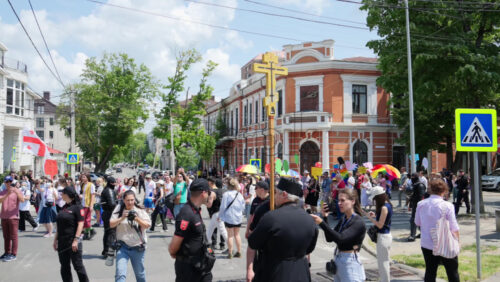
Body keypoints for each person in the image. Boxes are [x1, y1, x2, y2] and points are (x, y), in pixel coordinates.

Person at [248, 177, 318, 282]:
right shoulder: (310, 219)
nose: (274, 196)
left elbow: (253, 242)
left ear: (284, 194)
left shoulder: (271, 217)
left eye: (276, 193)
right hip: (301, 272)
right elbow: (309, 249)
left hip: (275, 272)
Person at [311, 188, 366, 282]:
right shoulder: (344, 218)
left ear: (352, 201)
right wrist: (325, 218)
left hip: (350, 262)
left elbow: (341, 239)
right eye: (339, 200)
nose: (339, 203)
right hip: (339, 258)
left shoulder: (358, 221)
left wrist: (321, 223)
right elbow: (329, 238)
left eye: (343, 200)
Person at [169, 178, 215, 282]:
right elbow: (173, 248)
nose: (209, 195)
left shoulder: (195, 209)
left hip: (200, 265)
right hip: (188, 269)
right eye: (208, 192)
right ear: (203, 193)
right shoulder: (186, 213)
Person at [415, 179, 460, 282]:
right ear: (444, 191)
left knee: (430, 271)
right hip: (446, 242)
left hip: (427, 243)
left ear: (430, 190)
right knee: (452, 271)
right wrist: (457, 241)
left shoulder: (421, 204)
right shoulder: (448, 206)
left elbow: (417, 222)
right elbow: (454, 227)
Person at [110, 190, 151, 282]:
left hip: (137, 247)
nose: (130, 202)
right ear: (124, 200)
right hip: (122, 247)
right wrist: (122, 218)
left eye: (132, 200)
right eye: (128, 200)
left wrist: (136, 218)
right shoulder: (119, 209)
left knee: (140, 275)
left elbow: (147, 225)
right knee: (120, 274)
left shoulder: (139, 210)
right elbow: (111, 224)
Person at [53, 186, 89, 282]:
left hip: (73, 242)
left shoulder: (77, 207)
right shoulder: (64, 207)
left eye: (63, 193)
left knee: (78, 266)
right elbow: (59, 225)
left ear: (68, 195)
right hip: (62, 242)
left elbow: (81, 224)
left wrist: (76, 240)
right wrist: (55, 240)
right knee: (64, 267)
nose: (61, 194)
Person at [363, 186, 393, 282]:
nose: (374, 201)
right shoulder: (388, 205)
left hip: (383, 237)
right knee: (384, 262)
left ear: (378, 197)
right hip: (386, 236)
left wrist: (369, 217)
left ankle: (385, 280)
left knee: (383, 263)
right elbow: (384, 220)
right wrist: (375, 216)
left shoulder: (384, 207)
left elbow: (380, 225)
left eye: (375, 198)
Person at [245, 181, 270, 282]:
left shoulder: (271, 200)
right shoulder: (255, 200)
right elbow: (251, 216)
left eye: (257, 188)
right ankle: (254, 273)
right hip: (255, 230)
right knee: (253, 255)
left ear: (263, 190)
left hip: (267, 233)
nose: (255, 190)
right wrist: (247, 230)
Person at [219, 178, 245, 259]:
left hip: (229, 217)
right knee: (237, 234)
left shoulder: (226, 194)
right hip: (238, 217)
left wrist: (220, 216)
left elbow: (223, 206)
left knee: (230, 235)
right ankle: (239, 252)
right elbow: (243, 207)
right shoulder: (239, 194)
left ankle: (230, 253)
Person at [0, 179, 25, 262]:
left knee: (13, 236)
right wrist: (7, 193)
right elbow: (0, 200)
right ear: (4, 183)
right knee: (6, 236)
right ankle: (7, 252)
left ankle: (13, 254)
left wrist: (16, 192)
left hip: (13, 217)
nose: (8, 183)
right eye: (6, 182)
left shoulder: (17, 191)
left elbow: (22, 200)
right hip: (4, 217)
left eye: (10, 182)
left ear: (12, 182)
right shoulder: (3, 191)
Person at [206, 177, 227, 250]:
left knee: (219, 230)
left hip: (215, 212)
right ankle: (222, 244)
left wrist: (205, 203)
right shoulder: (224, 191)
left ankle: (213, 243)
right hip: (222, 212)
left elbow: (209, 204)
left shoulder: (212, 192)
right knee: (214, 229)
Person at [101, 177, 118, 258]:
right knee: (111, 233)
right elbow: (112, 204)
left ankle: (106, 251)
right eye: (114, 183)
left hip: (107, 213)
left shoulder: (107, 189)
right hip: (110, 214)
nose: (115, 184)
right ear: (111, 183)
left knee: (108, 233)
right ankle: (108, 252)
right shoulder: (109, 190)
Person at [408, 172, 426, 242]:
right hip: (415, 204)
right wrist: (410, 205)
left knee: (413, 220)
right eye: (411, 177)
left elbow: (422, 197)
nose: (412, 179)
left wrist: (420, 207)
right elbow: (412, 196)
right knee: (418, 220)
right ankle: (422, 233)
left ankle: (412, 235)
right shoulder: (414, 185)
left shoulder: (420, 185)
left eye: (413, 177)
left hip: (419, 205)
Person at [78, 174, 96, 240]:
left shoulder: (91, 185)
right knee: (84, 219)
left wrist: (91, 205)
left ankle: (91, 230)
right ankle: (87, 233)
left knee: (86, 220)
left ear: (87, 178)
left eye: (84, 177)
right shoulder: (83, 185)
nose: (82, 178)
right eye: (82, 177)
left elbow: (93, 195)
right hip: (83, 204)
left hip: (87, 205)